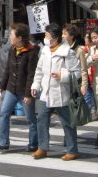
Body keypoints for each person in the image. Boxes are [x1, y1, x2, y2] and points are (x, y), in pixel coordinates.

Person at [30, 23, 81, 161]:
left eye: (47, 35)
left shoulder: (68, 53)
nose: (45, 38)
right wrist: (35, 85)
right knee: (42, 120)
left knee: (67, 122)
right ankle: (42, 147)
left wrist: (62, 75)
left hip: (61, 93)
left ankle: (72, 150)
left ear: (55, 37)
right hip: (45, 92)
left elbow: (77, 73)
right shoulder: (45, 50)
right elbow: (39, 70)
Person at [0, 23, 39, 151]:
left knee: (31, 118)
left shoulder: (31, 52)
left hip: (24, 90)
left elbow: (32, 75)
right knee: (4, 114)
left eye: (12, 34)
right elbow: (8, 70)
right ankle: (3, 142)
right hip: (11, 88)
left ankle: (33, 144)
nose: (10, 36)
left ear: (20, 38)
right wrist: (2, 86)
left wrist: (28, 94)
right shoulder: (12, 49)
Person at [62, 24, 88, 97]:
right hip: (64, 83)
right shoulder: (61, 49)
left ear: (71, 36)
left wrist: (84, 86)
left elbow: (83, 69)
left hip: (75, 83)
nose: (62, 36)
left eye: (65, 34)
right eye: (62, 34)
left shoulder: (79, 50)